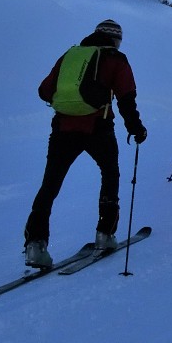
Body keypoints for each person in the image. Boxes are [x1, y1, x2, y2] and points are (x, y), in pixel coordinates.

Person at [23, 19, 147, 267]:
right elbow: (126, 99)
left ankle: (35, 245)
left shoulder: (70, 54)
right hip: (98, 128)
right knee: (110, 174)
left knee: (51, 183)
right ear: (115, 39)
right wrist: (136, 128)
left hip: (62, 128)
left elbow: (45, 91)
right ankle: (105, 234)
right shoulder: (116, 59)